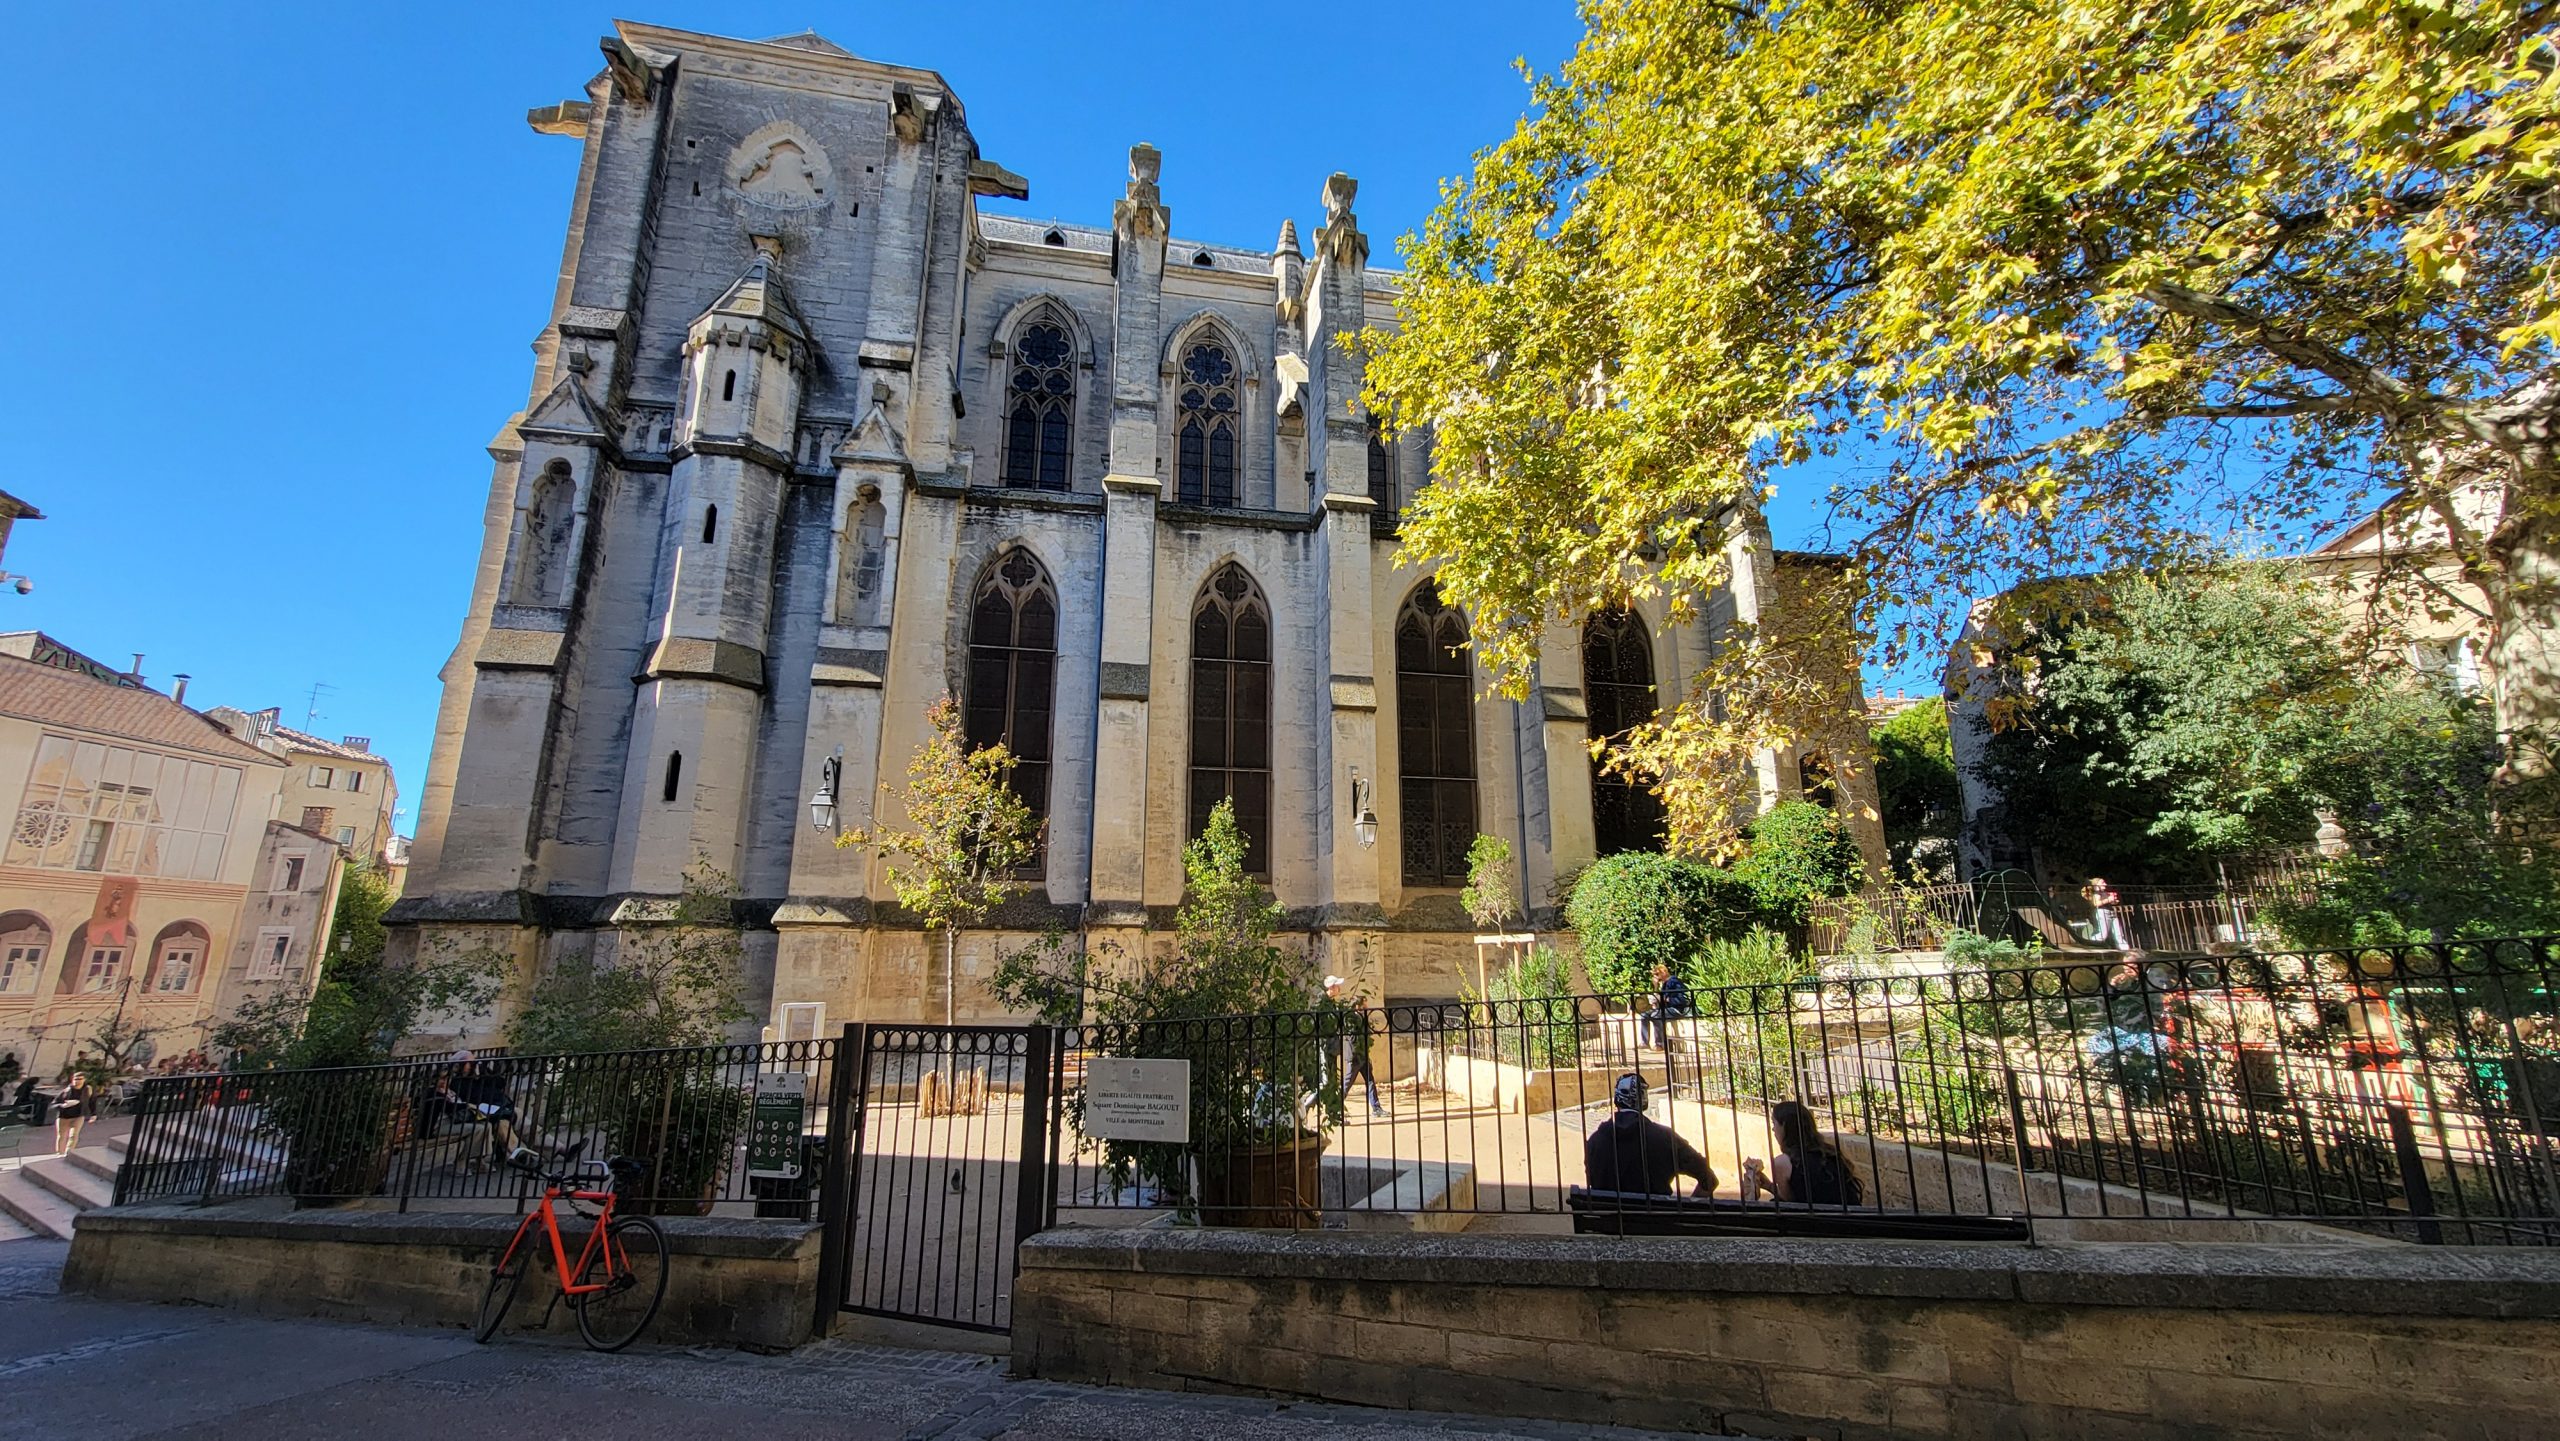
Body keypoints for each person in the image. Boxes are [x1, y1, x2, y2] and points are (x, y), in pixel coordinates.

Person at [1583, 1073, 1717, 1197]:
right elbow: (1709, 1180)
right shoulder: (1665, 1139)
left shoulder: (1595, 1141)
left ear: (1617, 1099)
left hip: (1608, 1221)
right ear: (1644, 1100)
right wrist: (1686, 1210)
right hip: (1659, 1220)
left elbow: (1592, 1180)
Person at [1741, 1100, 1864, 1205]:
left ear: (1784, 1127)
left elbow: (1790, 1202)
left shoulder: (1782, 1163)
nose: (1773, 1129)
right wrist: (1768, 1186)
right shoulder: (1828, 1153)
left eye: (1774, 1123)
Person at [435, 1052, 520, 1171]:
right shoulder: (445, 1089)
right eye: (470, 1063)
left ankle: (482, 1160)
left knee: (499, 1121)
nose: (445, 1082)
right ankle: (464, 1161)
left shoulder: (477, 1076)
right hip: (446, 1123)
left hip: (491, 1108)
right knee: (484, 1127)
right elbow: (452, 1106)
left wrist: (484, 1074)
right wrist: (470, 1106)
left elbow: (499, 1084)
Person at [1322, 975, 1385, 1117]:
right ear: (1358, 1006)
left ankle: (1376, 1108)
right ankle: (1335, 1108)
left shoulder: (1359, 1018)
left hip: (1361, 1055)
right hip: (1355, 1056)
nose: (1366, 1007)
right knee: (1347, 1083)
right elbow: (1352, 1038)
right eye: (1364, 1004)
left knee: (1370, 1081)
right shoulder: (1351, 1019)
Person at [1639, 963, 1693, 1050]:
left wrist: (1665, 999)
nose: (1656, 977)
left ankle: (1660, 1044)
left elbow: (1681, 1000)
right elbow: (1659, 998)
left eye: (1657, 974)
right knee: (1644, 1015)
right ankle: (1644, 1042)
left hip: (1676, 1009)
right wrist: (1656, 987)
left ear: (1663, 972)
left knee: (1656, 1015)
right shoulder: (1664, 984)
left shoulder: (1674, 982)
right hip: (1666, 1009)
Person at [53, 1070, 93, 1154]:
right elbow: (54, 1104)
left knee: (73, 1135)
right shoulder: (66, 1090)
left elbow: (92, 1101)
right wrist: (62, 1105)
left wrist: (93, 1114)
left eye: (80, 1079)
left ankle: (68, 1153)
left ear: (84, 1080)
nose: (77, 1081)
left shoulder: (87, 1089)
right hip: (64, 1116)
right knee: (62, 1136)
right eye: (75, 1079)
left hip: (78, 1116)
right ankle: (59, 1153)